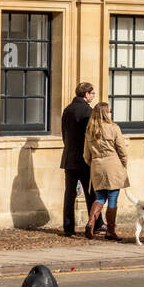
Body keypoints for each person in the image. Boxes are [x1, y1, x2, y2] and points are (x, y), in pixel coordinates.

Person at [83, 103, 129, 241]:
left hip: (97, 167)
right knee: (112, 199)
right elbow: (122, 150)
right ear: (105, 113)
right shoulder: (114, 128)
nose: (111, 113)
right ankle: (110, 231)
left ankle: (91, 222)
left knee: (100, 197)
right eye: (110, 111)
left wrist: (94, 164)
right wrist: (123, 165)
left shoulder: (90, 130)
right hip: (113, 165)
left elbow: (86, 155)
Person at [59, 82, 97, 237]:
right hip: (83, 158)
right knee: (91, 193)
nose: (94, 96)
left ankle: (68, 228)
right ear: (86, 94)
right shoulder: (88, 111)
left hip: (68, 157)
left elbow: (64, 134)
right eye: (93, 93)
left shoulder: (67, 110)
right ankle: (95, 223)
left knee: (69, 194)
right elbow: (90, 136)